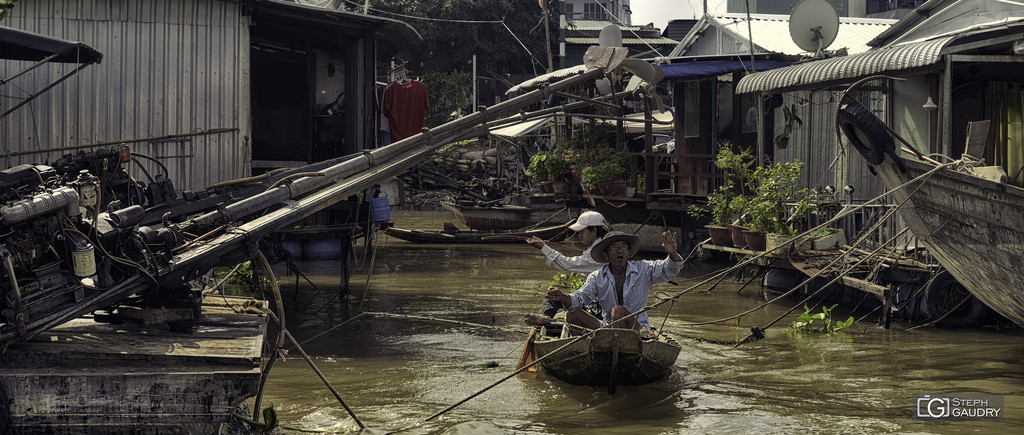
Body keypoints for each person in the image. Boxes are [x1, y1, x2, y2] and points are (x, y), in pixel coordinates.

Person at [545, 230, 683, 336]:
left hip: (638, 329)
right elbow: (580, 298)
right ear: (606, 255)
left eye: (623, 246)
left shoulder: (643, 269)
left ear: (628, 253)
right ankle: (583, 351)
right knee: (571, 314)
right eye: (614, 247)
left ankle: (619, 347)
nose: (620, 250)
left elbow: (669, 270)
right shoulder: (597, 277)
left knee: (618, 311)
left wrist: (673, 254)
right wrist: (562, 297)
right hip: (609, 329)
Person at [523, 211, 607, 326]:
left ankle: (547, 320)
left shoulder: (598, 254)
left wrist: (543, 247)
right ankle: (545, 318)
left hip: (597, 307)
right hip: (589, 299)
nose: (579, 235)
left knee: (554, 297)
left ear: (594, 231)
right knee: (551, 296)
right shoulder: (594, 249)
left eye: (582, 232)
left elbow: (567, 264)